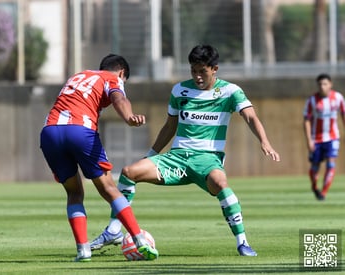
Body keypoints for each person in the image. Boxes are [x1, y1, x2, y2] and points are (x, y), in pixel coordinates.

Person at [90, 44, 281, 257]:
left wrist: (265, 142)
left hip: (207, 160)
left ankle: (243, 242)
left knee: (221, 184)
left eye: (202, 71)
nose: (198, 76)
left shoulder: (230, 91)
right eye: (193, 71)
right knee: (128, 172)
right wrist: (152, 155)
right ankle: (114, 230)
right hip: (177, 159)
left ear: (214, 69)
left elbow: (251, 117)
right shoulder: (180, 90)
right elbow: (170, 126)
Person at [40, 54, 159, 262]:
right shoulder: (112, 78)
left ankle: (83, 250)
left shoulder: (78, 76)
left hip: (50, 132)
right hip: (80, 130)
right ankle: (139, 239)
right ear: (121, 73)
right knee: (109, 188)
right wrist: (129, 118)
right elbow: (119, 98)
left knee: (74, 193)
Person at [303, 73, 345, 201]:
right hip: (316, 139)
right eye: (320, 84)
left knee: (331, 164)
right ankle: (315, 187)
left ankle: (323, 193)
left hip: (333, 137)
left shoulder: (338, 98)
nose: (322, 86)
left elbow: (343, 115)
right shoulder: (312, 101)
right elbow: (306, 120)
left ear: (330, 84)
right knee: (315, 167)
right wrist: (309, 140)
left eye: (325, 84)